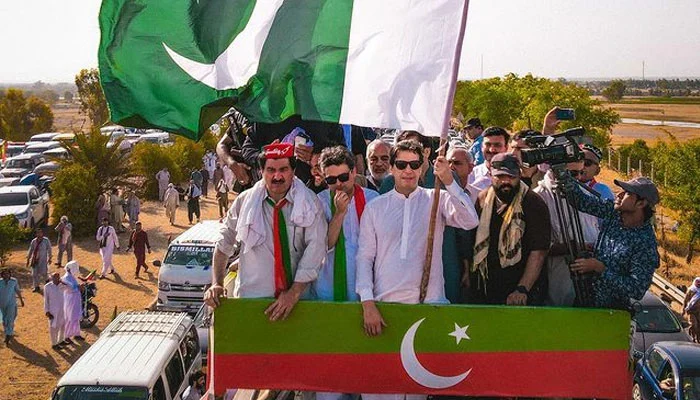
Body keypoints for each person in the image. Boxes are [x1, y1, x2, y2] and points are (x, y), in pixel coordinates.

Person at [356, 139, 479, 337]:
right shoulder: (375, 207)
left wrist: (449, 182)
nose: (408, 170)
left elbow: (470, 221)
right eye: (401, 164)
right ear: (392, 168)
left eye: (414, 165)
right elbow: (365, 257)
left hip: (431, 304)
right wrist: (367, 302)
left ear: (422, 168)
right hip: (385, 305)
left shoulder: (437, 198)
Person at [203, 142, 328, 322]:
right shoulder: (244, 202)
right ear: (261, 172)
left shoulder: (310, 203)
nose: (277, 176)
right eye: (271, 170)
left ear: (293, 171)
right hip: (252, 300)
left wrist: (293, 293)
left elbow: (316, 249)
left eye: (283, 169)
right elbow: (224, 242)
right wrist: (217, 283)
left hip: (299, 302)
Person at [561, 174, 660, 309]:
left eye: (627, 193)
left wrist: (599, 269)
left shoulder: (645, 243)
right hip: (584, 302)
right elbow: (581, 201)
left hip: (611, 313)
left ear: (641, 203)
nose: (619, 195)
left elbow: (636, 289)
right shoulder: (614, 213)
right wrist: (565, 178)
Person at [468, 153, 551, 306]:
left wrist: (522, 288)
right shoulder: (483, 199)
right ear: (491, 175)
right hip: (487, 286)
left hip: (521, 290)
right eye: (500, 176)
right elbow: (472, 241)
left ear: (519, 175)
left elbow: (539, 252)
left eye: (511, 177)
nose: (506, 181)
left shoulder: (533, 203)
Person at [315, 146, 379, 302]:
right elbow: (324, 245)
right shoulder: (319, 201)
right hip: (329, 286)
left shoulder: (373, 199)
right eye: (331, 180)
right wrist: (339, 213)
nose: (338, 184)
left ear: (354, 172)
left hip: (369, 287)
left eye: (343, 177)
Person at [533, 160, 600, 306]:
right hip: (555, 277)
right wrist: (572, 246)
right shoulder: (538, 197)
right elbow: (534, 246)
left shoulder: (585, 195)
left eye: (581, 173)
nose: (578, 178)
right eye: (573, 173)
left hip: (587, 278)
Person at [468, 126, 510, 191]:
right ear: (482, 147)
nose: (492, 149)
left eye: (497, 145)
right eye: (488, 144)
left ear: (506, 148)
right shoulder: (471, 176)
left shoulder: (514, 176)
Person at [62, 261, 85, 342]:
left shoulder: (71, 276)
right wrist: (78, 288)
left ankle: (76, 334)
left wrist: (79, 287)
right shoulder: (66, 278)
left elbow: (74, 286)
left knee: (76, 317)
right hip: (70, 300)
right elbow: (69, 289)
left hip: (75, 299)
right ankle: (66, 336)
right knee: (69, 318)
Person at [0, 268, 24, 344]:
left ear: (10, 274)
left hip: (11, 303)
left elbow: (17, 290)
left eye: (7, 273)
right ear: (2, 275)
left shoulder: (14, 281)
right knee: (4, 319)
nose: (6, 275)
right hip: (2, 304)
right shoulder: (0, 282)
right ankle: (8, 331)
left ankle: (8, 334)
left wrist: (21, 300)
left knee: (10, 318)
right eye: (4, 274)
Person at [44, 271, 65, 350]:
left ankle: (61, 340)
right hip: (53, 310)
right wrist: (47, 311)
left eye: (57, 277)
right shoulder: (47, 287)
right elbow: (46, 300)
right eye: (54, 277)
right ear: (51, 278)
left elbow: (71, 288)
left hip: (63, 309)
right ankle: (54, 344)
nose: (56, 279)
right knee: (53, 328)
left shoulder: (63, 285)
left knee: (63, 325)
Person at [26, 228, 52, 292]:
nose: (39, 234)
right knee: (34, 274)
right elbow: (30, 250)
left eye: (40, 232)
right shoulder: (34, 241)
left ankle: (48, 283)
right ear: (36, 234)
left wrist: (50, 258)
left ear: (42, 233)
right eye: (37, 232)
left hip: (43, 260)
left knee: (44, 273)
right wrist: (28, 259)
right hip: (34, 260)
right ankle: (36, 287)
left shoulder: (46, 240)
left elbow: (49, 249)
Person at [683, 277, 700, 343]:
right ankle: (692, 336)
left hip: (699, 311)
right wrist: (683, 309)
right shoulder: (691, 290)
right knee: (694, 325)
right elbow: (685, 300)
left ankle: (698, 338)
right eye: (698, 283)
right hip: (691, 310)